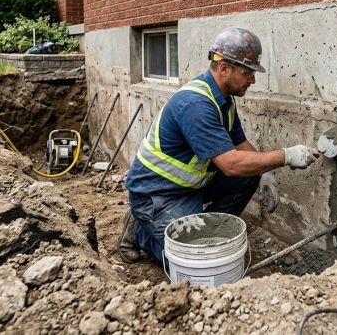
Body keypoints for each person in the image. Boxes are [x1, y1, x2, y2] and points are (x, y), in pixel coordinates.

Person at [119, 27, 321, 263]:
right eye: (248, 72)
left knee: (250, 176)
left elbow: (241, 145)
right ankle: (140, 231)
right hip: (156, 193)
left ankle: (209, 234)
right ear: (224, 68)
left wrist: (266, 173)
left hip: (187, 187)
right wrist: (287, 155)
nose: (253, 80)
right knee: (193, 261)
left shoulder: (224, 100)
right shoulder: (196, 104)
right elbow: (231, 165)